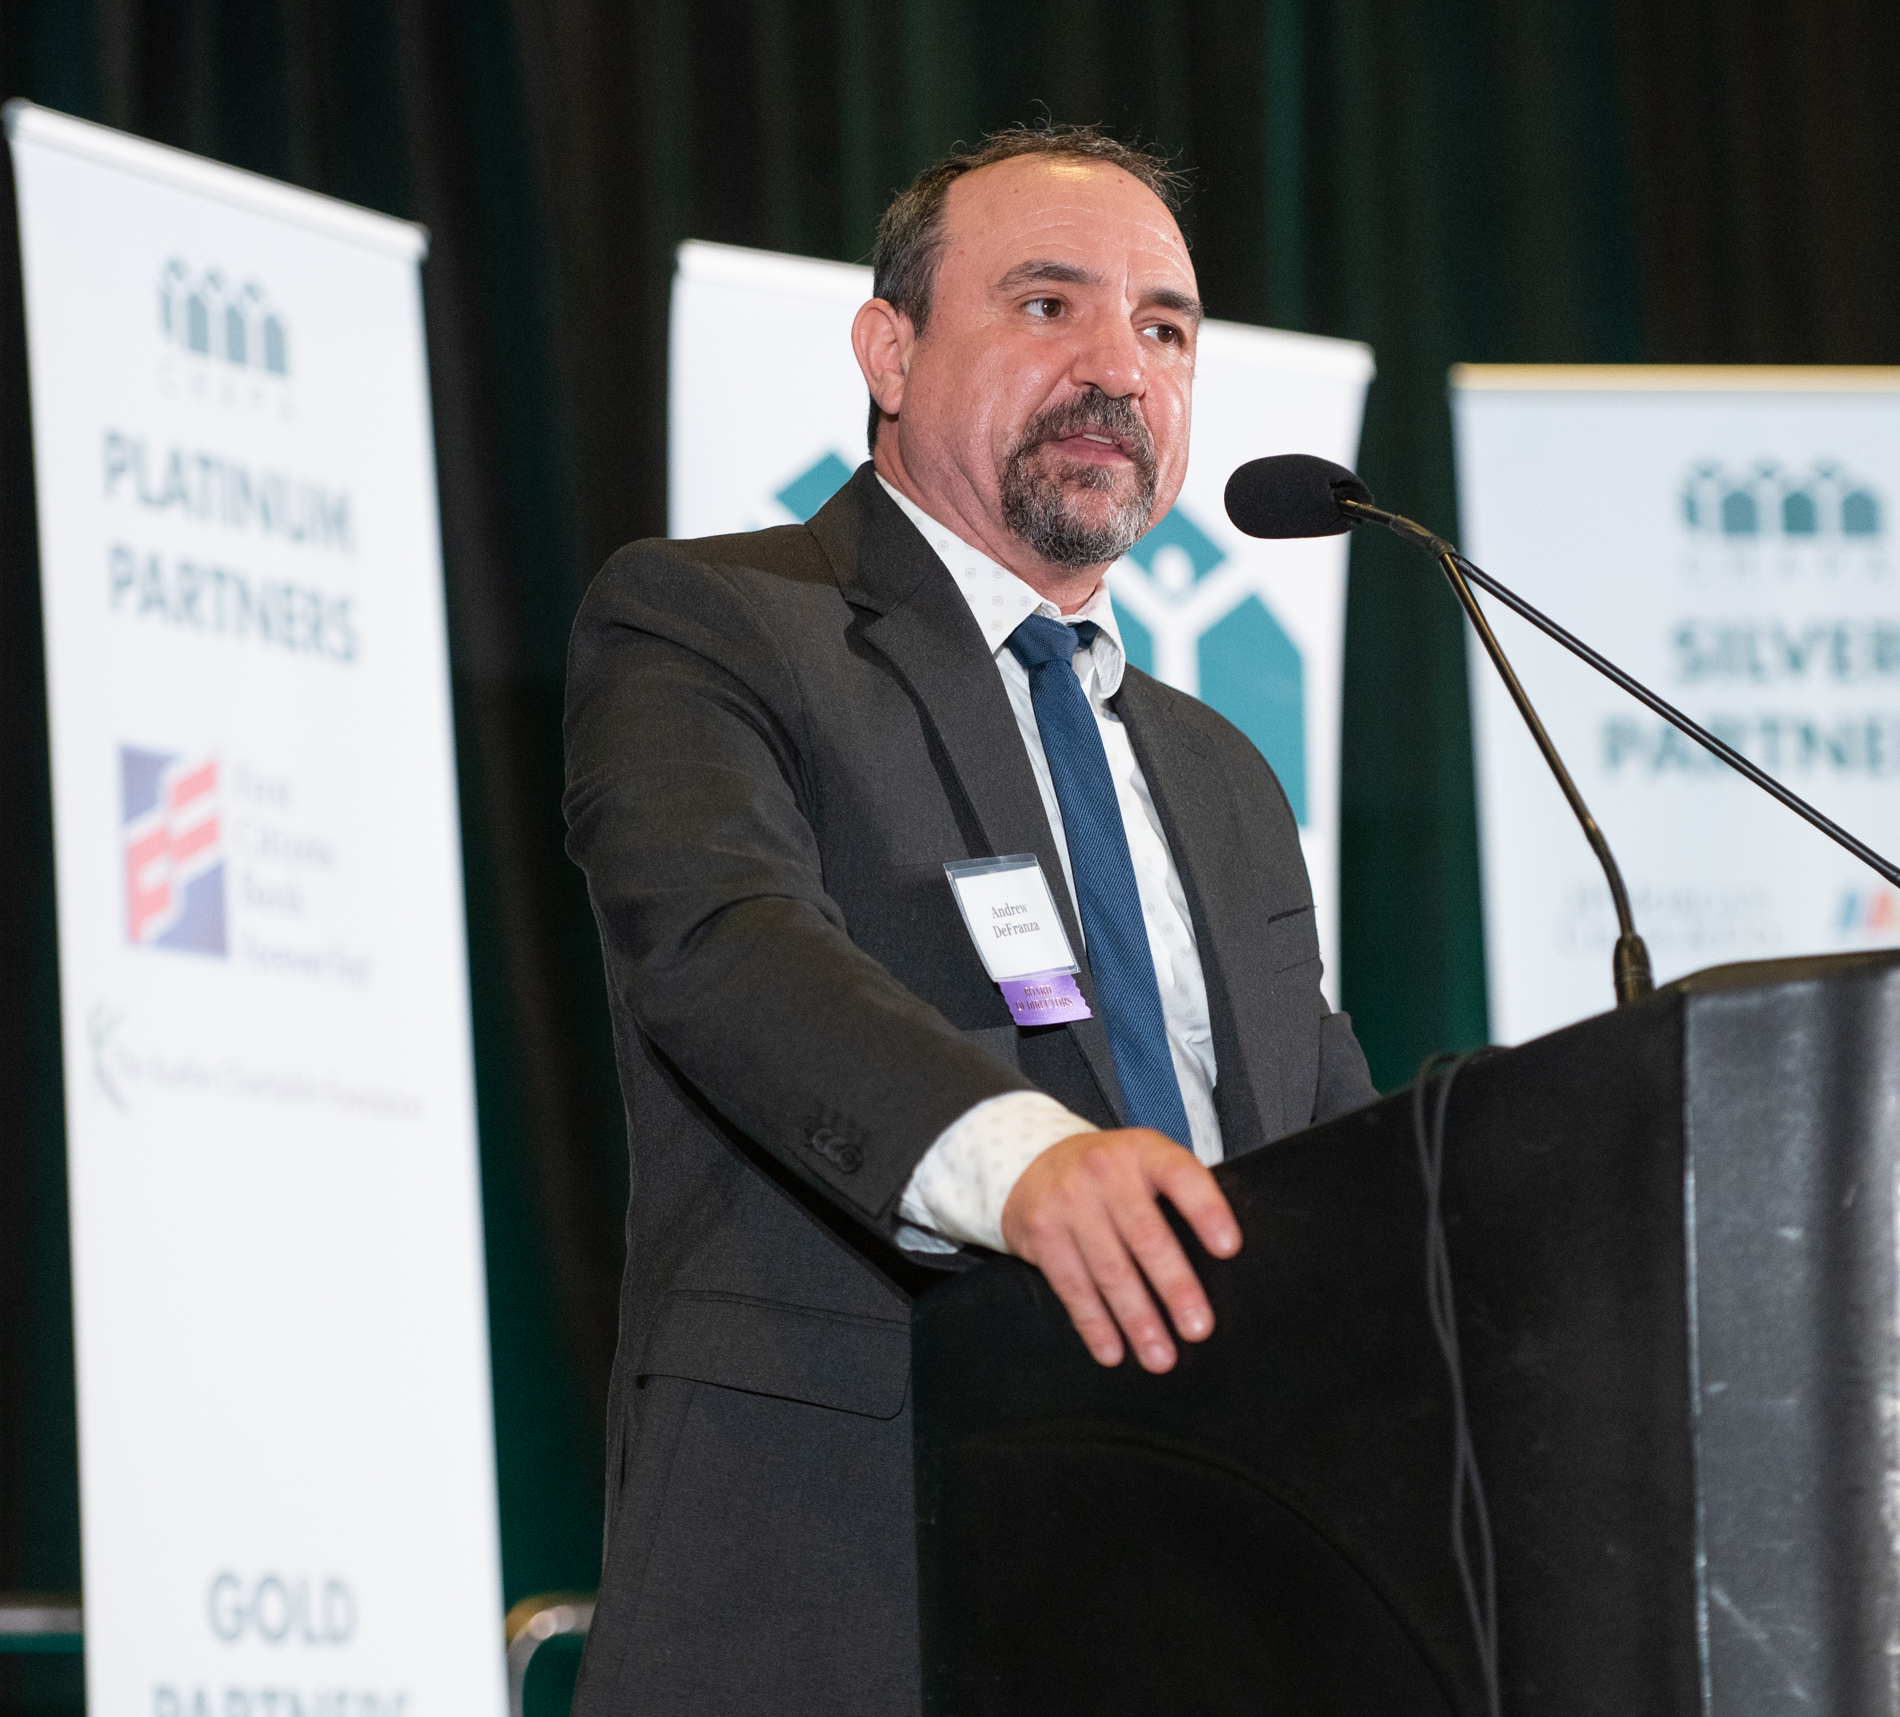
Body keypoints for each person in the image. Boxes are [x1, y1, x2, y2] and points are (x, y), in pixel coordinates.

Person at [562, 125, 1375, 1714]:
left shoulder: (1222, 775)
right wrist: (1029, 1166)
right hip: (855, 1581)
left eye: (1163, 328)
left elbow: (1322, 1134)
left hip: (1212, 1589)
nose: (1117, 370)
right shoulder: (714, 624)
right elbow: (725, 948)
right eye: (1047, 306)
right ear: (890, 349)